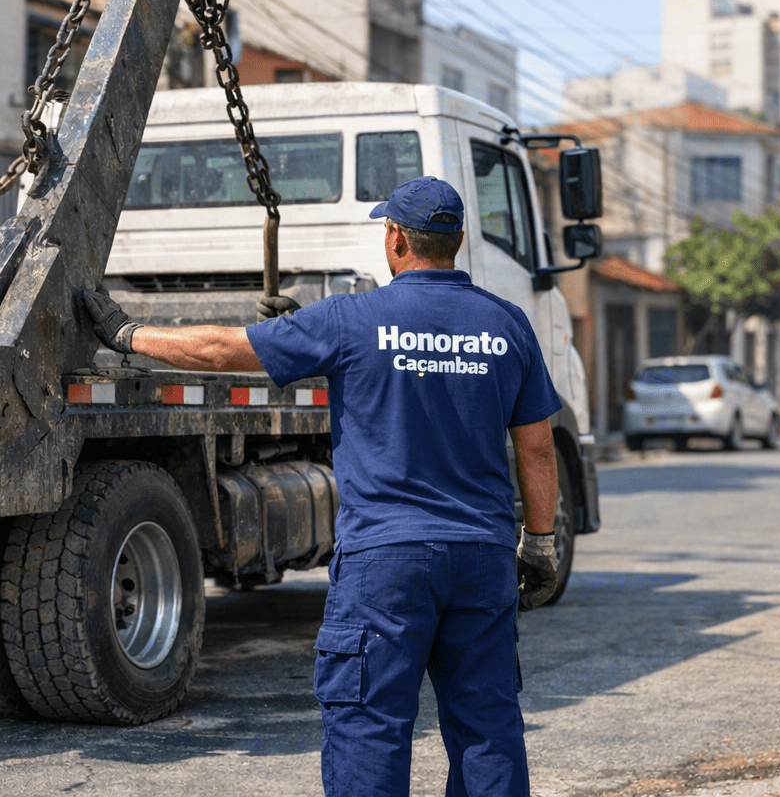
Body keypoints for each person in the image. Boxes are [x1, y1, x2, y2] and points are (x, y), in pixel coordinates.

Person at [82, 175, 561, 797]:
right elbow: (539, 446)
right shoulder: (509, 326)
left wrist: (126, 334)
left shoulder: (352, 320)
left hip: (385, 562)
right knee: (487, 728)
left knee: (370, 726)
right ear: (459, 241)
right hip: (481, 557)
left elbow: (223, 351)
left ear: (394, 240)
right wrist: (541, 544)